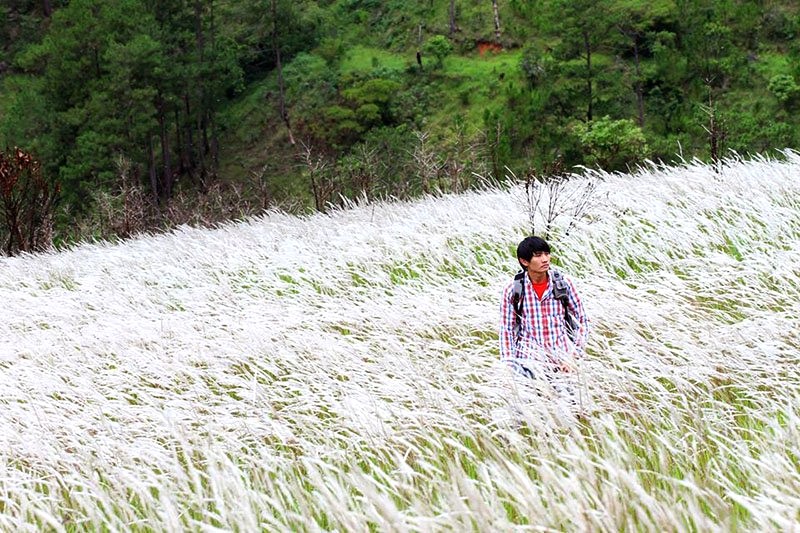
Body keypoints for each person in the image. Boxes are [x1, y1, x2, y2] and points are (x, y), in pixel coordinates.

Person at [499, 236, 589, 404]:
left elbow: (582, 320)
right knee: (527, 415)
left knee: (569, 413)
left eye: (547, 254)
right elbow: (506, 329)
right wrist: (508, 366)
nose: (545, 259)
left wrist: (573, 356)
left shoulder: (563, 284)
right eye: (538, 255)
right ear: (524, 261)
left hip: (561, 362)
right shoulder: (513, 289)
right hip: (527, 361)